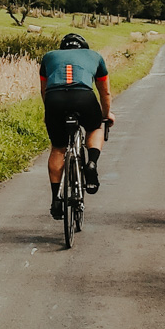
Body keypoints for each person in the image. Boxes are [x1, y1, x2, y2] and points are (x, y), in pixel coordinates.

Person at [37, 32, 113, 218]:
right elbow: (105, 93)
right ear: (84, 47)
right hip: (83, 97)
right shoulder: (95, 56)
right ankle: (92, 164)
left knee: (58, 148)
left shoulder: (49, 56)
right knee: (95, 128)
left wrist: (50, 114)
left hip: (55, 100)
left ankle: (56, 199)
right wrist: (105, 115)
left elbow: (44, 90)